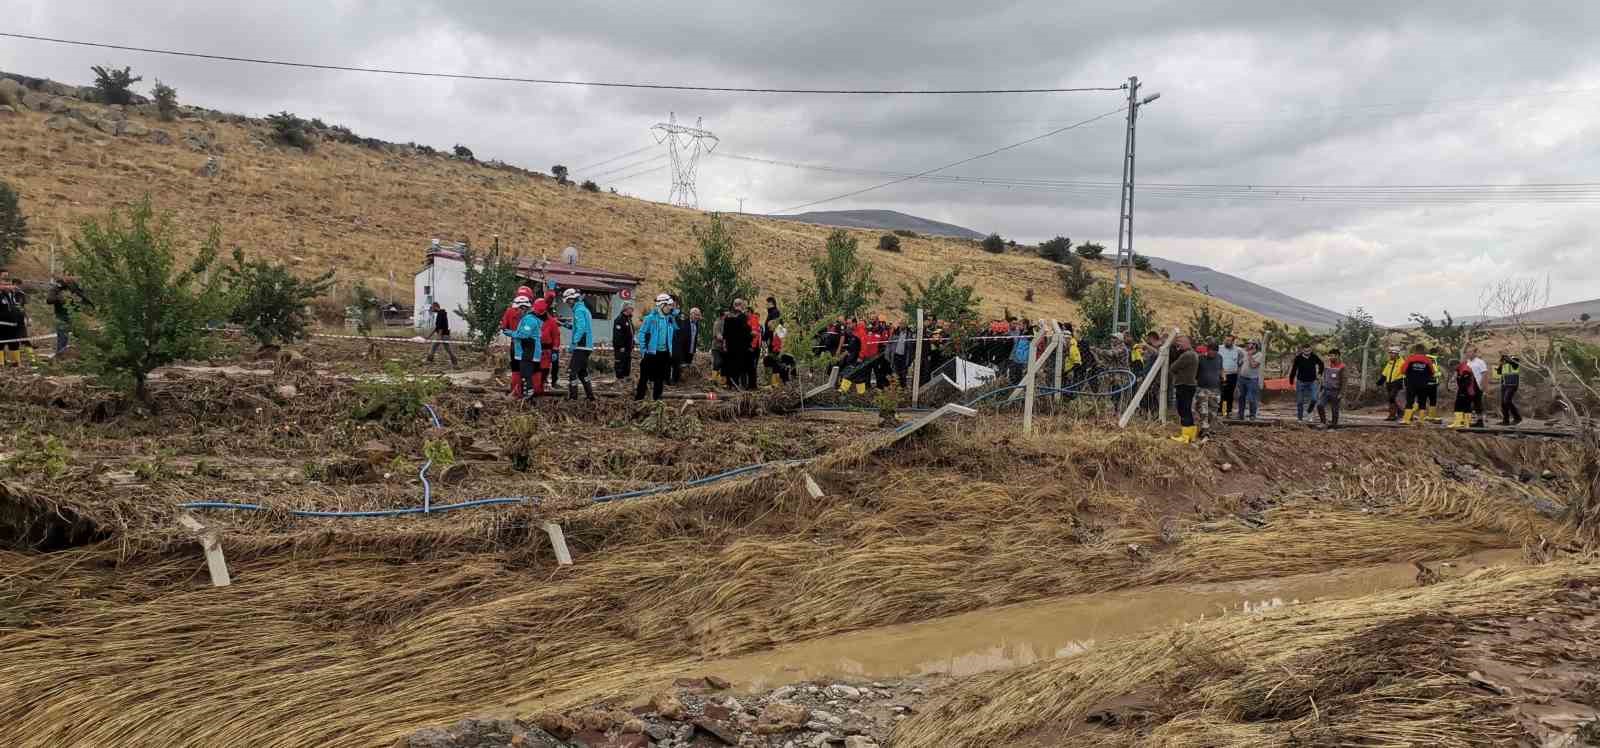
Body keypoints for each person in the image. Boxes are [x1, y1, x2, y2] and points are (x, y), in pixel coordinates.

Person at [634, 293, 674, 401]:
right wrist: (644, 351)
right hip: (651, 354)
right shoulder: (650, 318)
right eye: (669, 305)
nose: (670, 308)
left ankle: (657, 401)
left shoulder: (669, 319)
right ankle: (638, 400)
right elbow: (641, 334)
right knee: (644, 378)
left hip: (664, 354)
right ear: (662, 305)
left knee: (660, 379)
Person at [502, 286, 535, 398]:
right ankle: (525, 393)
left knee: (516, 368)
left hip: (515, 344)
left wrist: (511, 333)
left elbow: (504, 328)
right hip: (529, 345)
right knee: (527, 370)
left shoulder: (509, 311)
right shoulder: (532, 313)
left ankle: (516, 390)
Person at [562, 288, 595, 401]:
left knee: (572, 372)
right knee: (582, 372)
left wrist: (574, 342)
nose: (567, 304)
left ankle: (573, 398)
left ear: (572, 299)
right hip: (587, 346)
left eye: (567, 301)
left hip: (581, 346)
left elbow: (581, 328)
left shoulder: (579, 310)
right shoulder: (583, 309)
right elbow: (581, 326)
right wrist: (569, 325)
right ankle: (590, 397)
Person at [509, 296, 540, 404]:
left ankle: (529, 397)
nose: (516, 312)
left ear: (523, 308)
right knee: (524, 374)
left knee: (526, 374)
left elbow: (524, 335)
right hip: (525, 350)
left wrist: (511, 333)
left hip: (529, 350)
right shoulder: (525, 319)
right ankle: (526, 396)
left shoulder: (529, 320)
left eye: (517, 309)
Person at [1169, 335, 1199, 444]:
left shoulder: (1187, 355)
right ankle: (1191, 435)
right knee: (1187, 410)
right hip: (1189, 385)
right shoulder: (1193, 354)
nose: (1178, 344)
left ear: (1187, 342)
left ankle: (1185, 436)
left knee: (1183, 410)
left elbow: (1173, 367)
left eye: (1180, 342)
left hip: (1184, 385)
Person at [46, 276, 86, 355]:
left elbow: (83, 297)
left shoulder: (75, 286)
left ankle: (80, 355)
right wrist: (60, 298)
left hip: (74, 315)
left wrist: (78, 300)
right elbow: (49, 300)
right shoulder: (57, 288)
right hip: (61, 315)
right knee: (62, 337)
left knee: (78, 335)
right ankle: (61, 355)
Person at [1400, 344, 1435, 425]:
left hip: (1411, 384)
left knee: (1410, 401)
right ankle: (1421, 421)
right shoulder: (1428, 360)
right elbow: (1433, 372)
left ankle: (1406, 420)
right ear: (1423, 351)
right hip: (1423, 385)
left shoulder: (1410, 359)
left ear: (1415, 350)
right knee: (1422, 402)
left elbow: (1403, 370)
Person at [0, 272, 29, 368]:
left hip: (14, 323)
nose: (8, 287)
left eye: (9, 285)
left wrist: (24, 318)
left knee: (14, 342)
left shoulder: (14, 294)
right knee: (1, 343)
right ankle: (1, 364)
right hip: (2, 323)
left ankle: (15, 363)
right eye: (5, 285)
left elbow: (19, 307)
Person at [721, 300, 752, 389]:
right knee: (740, 366)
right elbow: (746, 331)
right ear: (741, 306)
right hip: (741, 347)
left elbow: (725, 333)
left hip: (730, 346)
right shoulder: (743, 317)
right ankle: (739, 385)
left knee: (730, 365)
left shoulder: (728, 317)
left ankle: (730, 384)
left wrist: (725, 344)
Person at [1446, 354, 1483, 429]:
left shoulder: (1464, 369)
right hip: (1471, 389)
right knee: (1468, 406)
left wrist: (1461, 391)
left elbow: (1467, 382)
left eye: (1452, 367)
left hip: (1470, 390)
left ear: (1456, 364)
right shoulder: (1460, 368)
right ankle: (1466, 423)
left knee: (1459, 405)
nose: (1452, 369)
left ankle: (1459, 422)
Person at [1289, 345, 1324, 421]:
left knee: (1314, 399)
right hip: (1300, 381)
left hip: (1312, 381)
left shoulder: (1314, 356)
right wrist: (1291, 381)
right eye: (1305, 351)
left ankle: (1309, 412)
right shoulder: (1298, 358)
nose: (1307, 352)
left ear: (1311, 350)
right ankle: (1300, 418)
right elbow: (1294, 369)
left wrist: (1319, 373)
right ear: (1302, 350)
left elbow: (1321, 364)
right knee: (1300, 401)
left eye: (1309, 351)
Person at [1195, 342, 1223, 434]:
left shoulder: (1219, 358)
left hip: (1215, 389)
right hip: (1202, 388)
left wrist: (1222, 377)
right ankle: (1204, 430)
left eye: (1215, 352)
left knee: (1213, 411)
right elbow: (1195, 373)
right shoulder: (1201, 359)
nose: (1213, 354)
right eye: (1211, 351)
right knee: (1203, 411)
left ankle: (1208, 428)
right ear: (1207, 350)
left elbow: (1221, 369)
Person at [1316, 348, 1348, 427]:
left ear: (1337, 356)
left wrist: (1341, 393)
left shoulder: (1342, 367)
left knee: (1334, 409)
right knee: (1320, 405)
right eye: (1329, 356)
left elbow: (1344, 382)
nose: (1330, 357)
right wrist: (1321, 389)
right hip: (1326, 390)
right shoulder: (1327, 365)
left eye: (1332, 356)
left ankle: (1334, 425)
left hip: (1335, 391)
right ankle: (1323, 422)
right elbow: (1324, 378)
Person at [670, 306, 701, 385]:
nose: (698, 317)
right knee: (678, 365)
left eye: (699, 315)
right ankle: (674, 381)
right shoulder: (684, 322)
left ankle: (682, 381)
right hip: (682, 349)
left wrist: (693, 349)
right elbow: (680, 337)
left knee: (687, 365)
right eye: (697, 315)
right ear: (691, 314)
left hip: (691, 349)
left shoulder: (697, 324)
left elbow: (695, 337)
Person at [423, 302, 458, 368]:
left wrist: (439, 336)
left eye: (432, 308)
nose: (431, 309)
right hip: (442, 335)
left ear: (435, 307)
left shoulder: (441, 314)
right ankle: (429, 360)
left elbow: (441, 326)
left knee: (447, 349)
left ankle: (455, 362)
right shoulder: (440, 314)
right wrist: (429, 336)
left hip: (443, 335)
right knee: (435, 347)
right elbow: (437, 327)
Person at [1217, 334, 1244, 419]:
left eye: (1229, 340)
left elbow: (1241, 361)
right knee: (1221, 392)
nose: (1227, 342)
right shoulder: (1219, 348)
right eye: (1226, 340)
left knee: (1230, 393)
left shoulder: (1238, 350)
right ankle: (1220, 410)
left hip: (1233, 374)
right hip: (1222, 373)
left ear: (1233, 341)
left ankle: (1229, 411)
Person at [1238, 341, 1264, 420]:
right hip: (1242, 378)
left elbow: (1253, 365)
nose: (1248, 345)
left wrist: (1249, 355)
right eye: (1248, 344)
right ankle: (1240, 414)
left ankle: (1252, 415)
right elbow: (1240, 363)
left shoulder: (1259, 355)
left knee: (1251, 398)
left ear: (1254, 346)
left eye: (1250, 344)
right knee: (1241, 397)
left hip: (1252, 380)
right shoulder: (1246, 353)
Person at [1379, 347, 1406, 421]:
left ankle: (1399, 414)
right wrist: (1381, 380)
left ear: (1397, 354)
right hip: (1389, 383)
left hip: (1397, 382)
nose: (1391, 355)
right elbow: (1385, 372)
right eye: (1390, 353)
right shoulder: (1390, 362)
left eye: (1392, 353)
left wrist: (1403, 380)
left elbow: (1405, 372)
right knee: (1391, 399)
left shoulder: (1402, 362)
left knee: (1393, 398)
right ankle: (1392, 415)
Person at [1495, 353, 1522, 426]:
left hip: (1512, 385)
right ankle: (1505, 421)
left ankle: (1517, 418)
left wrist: (1506, 358)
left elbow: (1514, 364)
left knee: (1507, 400)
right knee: (1503, 403)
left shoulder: (1515, 360)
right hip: (1504, 385)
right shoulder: (1504, 362)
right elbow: (1499, 372)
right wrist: (1500, 364)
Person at [1465, 346, 1489, 428]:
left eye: (1470, 352)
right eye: (1467, 352)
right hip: (1468, 386)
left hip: (1478, 385)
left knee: (1477, 404)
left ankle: (1480, 421)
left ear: (1475, 353)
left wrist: (1483, 385)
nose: (1468, 353)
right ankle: (1467, 421)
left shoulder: (1480, 362)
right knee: (1467, 404)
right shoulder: (1467, 362)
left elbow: (1484, 374)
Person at [612, 304, 635, 381]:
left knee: (627, 362)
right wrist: (620, 346)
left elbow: (630, 333)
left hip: (628, 346)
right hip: (621, 347)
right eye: (631, 309)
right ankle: (619, 377)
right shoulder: (619, 319)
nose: (632, 310)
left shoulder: (628, 319)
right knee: (620, 361)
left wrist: (633, 343)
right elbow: (618, 334)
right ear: (626, 309)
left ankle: (626, 376)